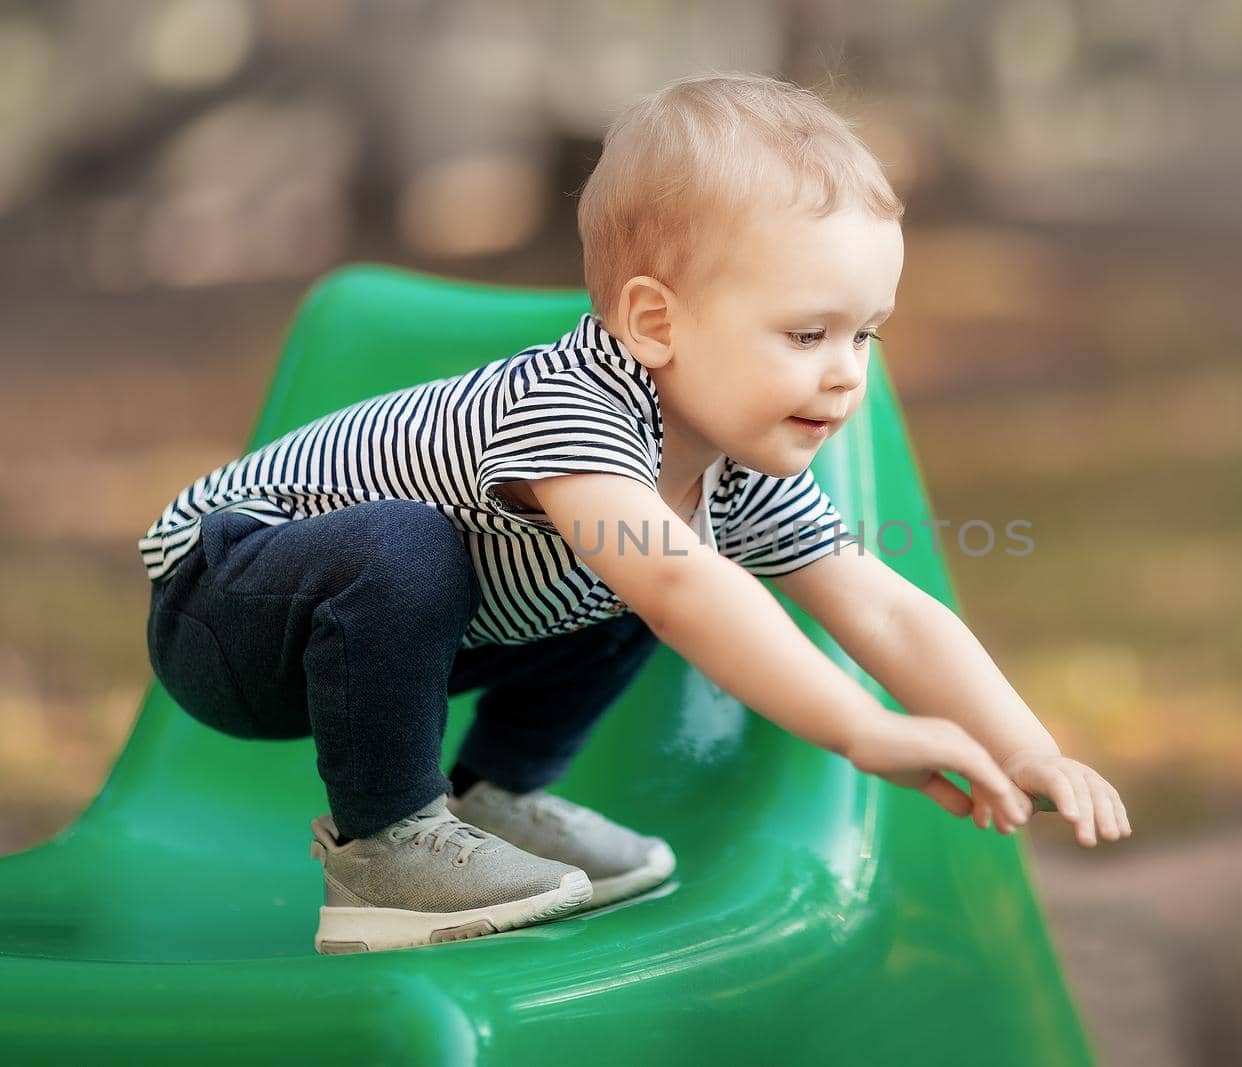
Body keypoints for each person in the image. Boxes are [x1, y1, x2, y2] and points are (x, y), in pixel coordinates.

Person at [139, 71, 1131, 955]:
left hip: (395, 635)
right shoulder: (570, 408)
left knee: (641, 559)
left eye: (865, 334)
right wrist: (865, 730)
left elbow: (886, 606)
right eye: (805, 331)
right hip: (230, 602)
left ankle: (497, 798)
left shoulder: (734, 463)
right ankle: (386, 849)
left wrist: (1021, 743)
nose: (844, 374)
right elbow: (678, 587)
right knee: (625, 564)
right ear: (656, 320)